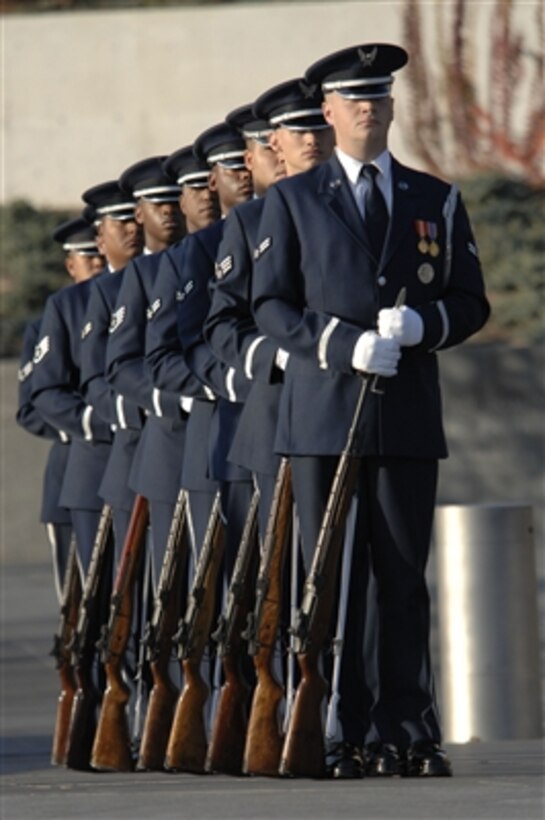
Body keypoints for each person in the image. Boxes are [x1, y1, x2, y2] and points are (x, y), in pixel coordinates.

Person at [252, 43, 490, 779]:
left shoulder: (433, 197)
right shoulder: (292, 200)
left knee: (400, 579)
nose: (367, 108)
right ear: (327, 112)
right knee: (332, 581)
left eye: (378, 98)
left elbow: (469, 299)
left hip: (407, 416)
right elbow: (268, 304)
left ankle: (408, 729)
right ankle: (335, 727)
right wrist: (339, 345)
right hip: (325, 416)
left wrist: (424, 327)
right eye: (353, 99)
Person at [17, 217, 104, 599]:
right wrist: (85, 423)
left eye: (99, 253)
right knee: (79, 606)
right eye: (87, 257)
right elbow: (31, 407)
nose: (97, 263)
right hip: (74, 467)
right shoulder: (51, 321)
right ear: (71, 266)